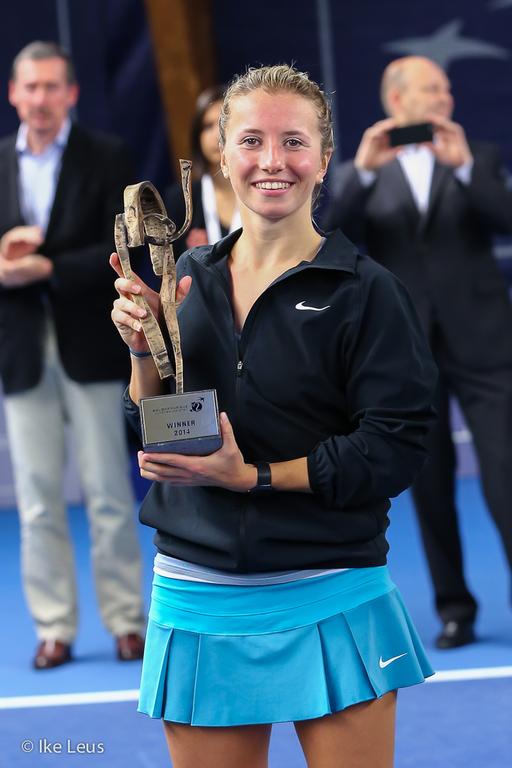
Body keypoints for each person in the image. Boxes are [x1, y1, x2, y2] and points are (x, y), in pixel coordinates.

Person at [111, 64, 436, 768]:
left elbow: (393, 449)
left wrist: (254, 476)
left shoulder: (369, 293)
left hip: (332, 587)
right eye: (252, 140)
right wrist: (142, 350)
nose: (272, 161)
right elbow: (151, 427)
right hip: (197, 592)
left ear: (324, 157)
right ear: (222, 155)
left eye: (294, 141)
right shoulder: (184, 281)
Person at [322, 55, 512, 650]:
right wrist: (363, 174)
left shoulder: (478, 157)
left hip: (485, 343)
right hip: (407, 348)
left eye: (447, 89)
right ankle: (454, 608)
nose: (445, 98)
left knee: (506, 473)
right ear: (397, 100)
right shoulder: (364, 171)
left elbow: (506, 217)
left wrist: (464, 170)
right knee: (429, 483)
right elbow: (330, 237)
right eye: (433, 89)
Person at [0, 41, 146, 669]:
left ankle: (126, 620)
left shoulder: (106, 155)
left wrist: (48, 267)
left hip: (90, 343)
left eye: (51, 87)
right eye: (30, 87)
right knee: (36, 500)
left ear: (71, 94)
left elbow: (125, 250)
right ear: (14, 93)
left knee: (108, 492)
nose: (40, 98)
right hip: (21, 351)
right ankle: (53, 627)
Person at [165, 85, 240, 258]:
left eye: (223, 124)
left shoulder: (260, 190)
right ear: (197, 136)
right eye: (207, 126)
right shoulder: (180, 199)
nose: (216, 135)